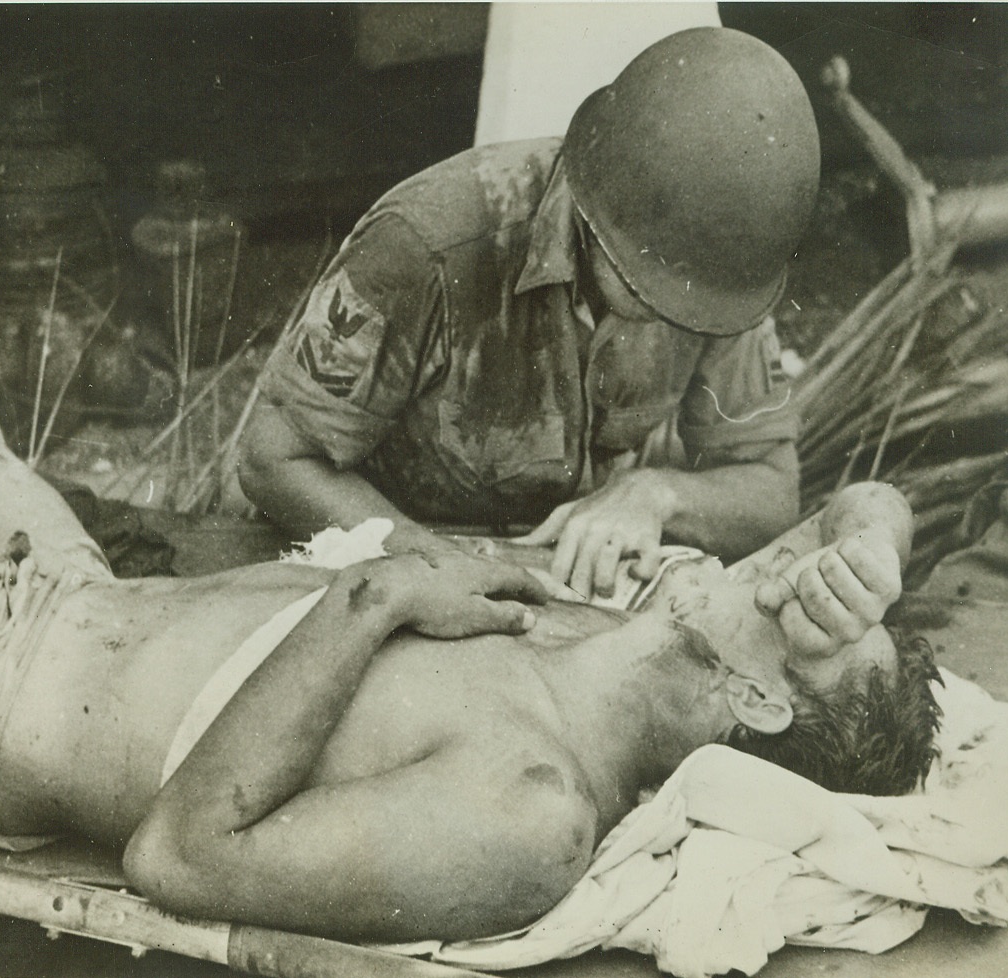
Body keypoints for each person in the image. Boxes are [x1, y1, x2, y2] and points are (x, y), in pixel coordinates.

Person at [0, 196, 938, 945]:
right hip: (67, 586)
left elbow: (181, 857)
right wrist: (872, 547)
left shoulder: (531, 811)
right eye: (825, 573)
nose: (800, 569)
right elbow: (848, 509)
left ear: (754, 700)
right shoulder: (598, 627)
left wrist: (381, 591)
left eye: (816, 609)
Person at [238, 27, 820, 600]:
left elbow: (770, 490)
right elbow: (273, 460)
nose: (672, 317)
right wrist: (433, 565)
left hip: (547, 583)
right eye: (652, 284)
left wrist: (655, 494)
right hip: (374, 557)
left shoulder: (719, 274)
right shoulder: (426, 246)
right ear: (595, 212)